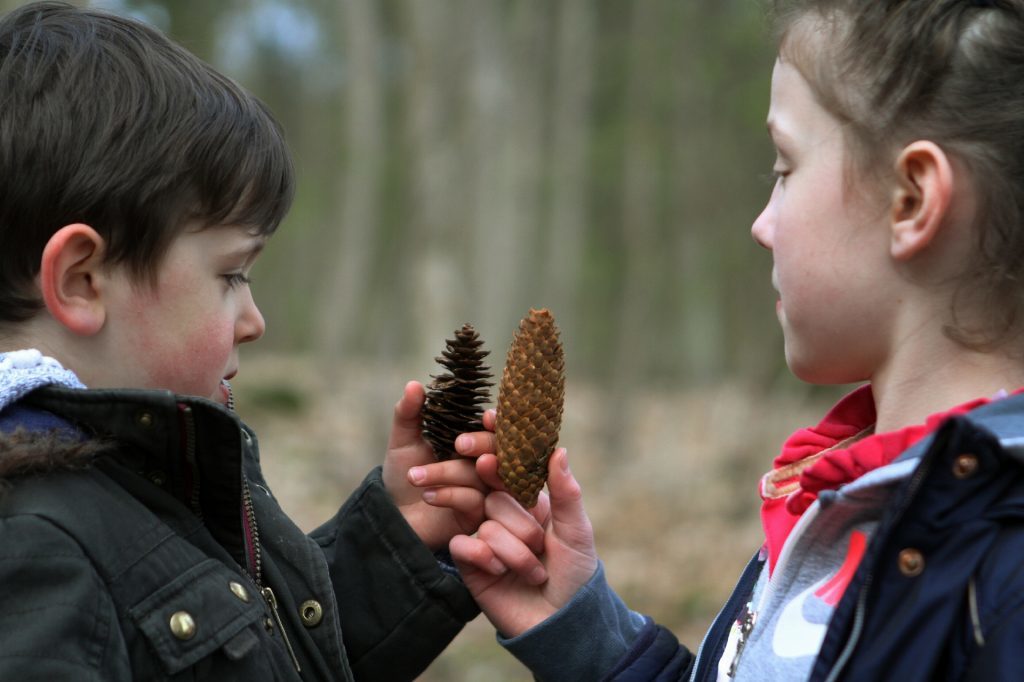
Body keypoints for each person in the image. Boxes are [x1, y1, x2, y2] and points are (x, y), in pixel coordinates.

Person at [413, 0, 1024, 679]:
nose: (762, 224)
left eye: (784, 168)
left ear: (910, 200)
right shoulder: (844, 497)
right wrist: (583, 631)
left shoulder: (1002, 577)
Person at [0, 2, 488, 680]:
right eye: (230, 274)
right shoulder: (31, 549)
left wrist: (401, 537)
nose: (254, 319)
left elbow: (263, 654)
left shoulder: (153, 477)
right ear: (83, 280)